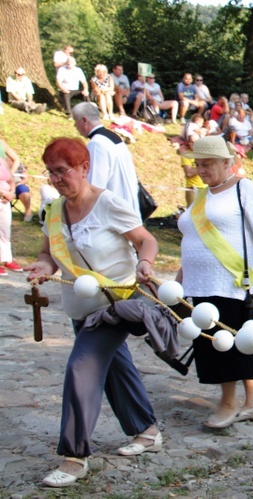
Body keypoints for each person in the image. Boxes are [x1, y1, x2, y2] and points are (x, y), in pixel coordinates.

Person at [25, 137, 161, 488]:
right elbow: (48, 254)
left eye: (63, 171)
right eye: (51, 172)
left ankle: (74, 457)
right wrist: (42, 267)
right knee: (116, 367)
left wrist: (145, 263)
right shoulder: (53, 211)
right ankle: (146, 430)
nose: (56, 179)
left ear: (84, 167)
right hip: (79, 308)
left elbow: (146, 239)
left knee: (81, 367)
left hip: (114, 306)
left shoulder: (108, 203)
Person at [177, 136, 253, 428]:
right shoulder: (203, 196)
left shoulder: (245, 189)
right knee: (227, 342)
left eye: (208, 164)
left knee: (227, 344)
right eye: (198, 164)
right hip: (200, 283)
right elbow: (192, 239)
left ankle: (228, 404)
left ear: (227, 162)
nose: (202, 169)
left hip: (231, 283)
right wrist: (181, 277)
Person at [72, 103, 140, 217]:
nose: (75, 125)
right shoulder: (114, 137)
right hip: (129, 205)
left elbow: (94, 185)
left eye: (75, 121)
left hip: (113, 212)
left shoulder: (96, 143)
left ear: (84, 120)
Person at [0, 135, 24, 274]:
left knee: (4, 230)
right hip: (2, 195)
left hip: (6, 198)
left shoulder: (2, 161)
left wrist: (12, 192)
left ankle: (6, 259)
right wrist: (3, 192)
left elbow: (10, 178)